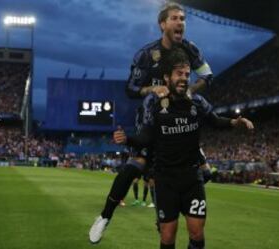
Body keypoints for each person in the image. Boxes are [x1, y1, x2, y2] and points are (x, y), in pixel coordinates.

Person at [89, 2, 212, 244]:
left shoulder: (192, 50)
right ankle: (104, 217)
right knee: (137, 164)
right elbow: (131, 88)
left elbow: (207, 75)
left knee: (203, 173)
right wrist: (152, 88)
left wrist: (190, 91)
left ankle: (163, 212)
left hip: (181, 124)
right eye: (175, 18)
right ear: (162, 24)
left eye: (183, 18)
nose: (180, 22)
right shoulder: (146, 54)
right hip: (152, 120)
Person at [113, 47, 254, 249]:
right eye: (179, 74)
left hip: (192, 179)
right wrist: (127, 139)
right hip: (165, 181)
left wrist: (234, 122)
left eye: (187, 74)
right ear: (166, 77)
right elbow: (146, 137)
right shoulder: (155, 104)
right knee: (168, 236)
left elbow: (215, 121)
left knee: (197, 233)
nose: (184, 78)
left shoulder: (197, 102)